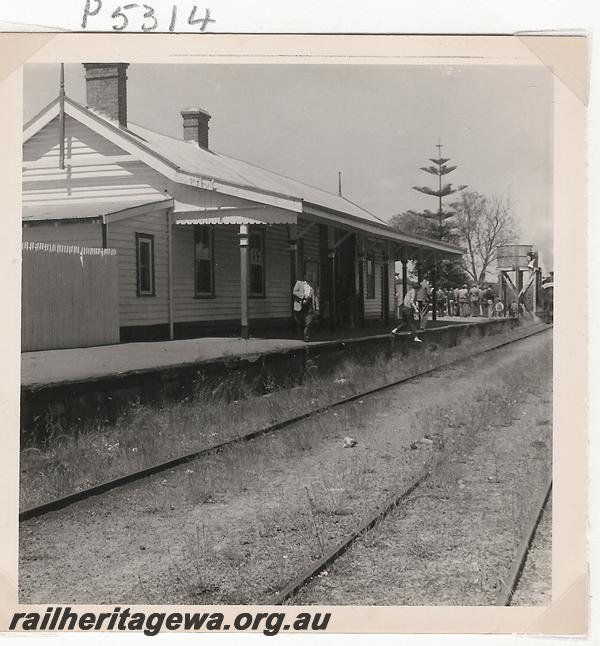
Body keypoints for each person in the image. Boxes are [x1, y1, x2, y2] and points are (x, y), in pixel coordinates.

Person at [292, 277, 316, 342]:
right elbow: (294, 292)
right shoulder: (299, 283)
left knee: (309, 322)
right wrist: (303, 296)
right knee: (299, 321)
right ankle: (300, 335)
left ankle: (306, 337)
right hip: (300, 306)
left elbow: (315, 297)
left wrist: (315, 308)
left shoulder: (312, 286)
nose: (309, 280)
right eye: (308, 277)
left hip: (309, 306)